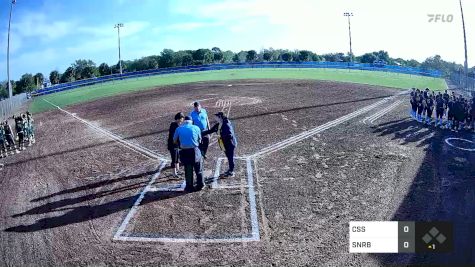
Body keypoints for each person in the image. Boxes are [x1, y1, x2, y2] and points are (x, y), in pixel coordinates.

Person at [173, 116, 204, 192]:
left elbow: (174, 141)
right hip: (195, 151)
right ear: (191, 121)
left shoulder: (179, 129)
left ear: (184, 122)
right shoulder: (196, 128)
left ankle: (189, 186)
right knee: (198, 169)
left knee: (188, 170)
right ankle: (200, 185)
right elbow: (200, 141)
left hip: (184, 152)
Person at [203, 112, 238, 177]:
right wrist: (200, 134)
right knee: (228, 156)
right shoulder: (218, 125)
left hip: (230, 143)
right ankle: (230, 169)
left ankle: (231, 170)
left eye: (216, 117)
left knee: (230, 157)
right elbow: (210, 131)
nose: (215, 118)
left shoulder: (226, 124)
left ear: (220, 117)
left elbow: (229, 135)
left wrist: (220, 136)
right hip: (224, 144)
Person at [167, 112, 184, 177]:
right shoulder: (173, 125)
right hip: (173, 145)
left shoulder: (179, 125)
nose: (182, 120)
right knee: (174, 159)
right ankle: (174, 173)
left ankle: (177, 170)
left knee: (177, 158)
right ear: (178, 119)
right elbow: (174, 136)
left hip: (176, 145)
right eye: (181, 118)